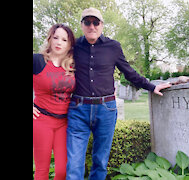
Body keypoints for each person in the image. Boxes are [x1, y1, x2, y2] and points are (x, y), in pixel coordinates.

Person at [66, 7, 171, 180]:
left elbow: (129, 72)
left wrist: (151, 87)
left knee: (100, 161)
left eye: (95, 22)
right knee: (74, 164)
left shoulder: (113, 47)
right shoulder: (73, 46)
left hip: (106, 110)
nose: (92, 26)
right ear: (82, 25)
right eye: (87, 22)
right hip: (78, 110)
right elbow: (52, 64)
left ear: (102, 25)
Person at [33, 24, 76, 180]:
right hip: (41, 121)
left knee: (62, 171)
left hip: (64, 123)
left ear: (70, 44)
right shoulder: (37, 60)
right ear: (50, 39)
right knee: (42, 171)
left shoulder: (72, 66)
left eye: (64, 39)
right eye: (56, 37)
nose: (59, 42)